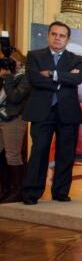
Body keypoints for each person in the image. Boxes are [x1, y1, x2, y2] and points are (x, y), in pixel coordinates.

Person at [22, 21, 82, 204]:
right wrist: (64, 78)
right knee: (39, 152)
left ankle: (61, 192)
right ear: (48, 35)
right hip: (42, 111)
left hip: (68, 112)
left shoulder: (76, 59)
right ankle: (32, 193)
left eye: (62, 35)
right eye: (54, 34)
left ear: (67, 39)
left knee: (66, 154)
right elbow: (34, 79)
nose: (57, 38)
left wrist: (51, 74)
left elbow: (77, 78)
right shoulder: (34, 56)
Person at [0, 52, 30, 203]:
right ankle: (4, 190)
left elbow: (15, 97)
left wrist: (7, 77)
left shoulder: (25, 76)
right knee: (1, 155)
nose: (8, 64)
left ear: (19, 62)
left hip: (14, 118)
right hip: (1, 116)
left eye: (11, 61)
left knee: (12, 155)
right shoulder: (5, 74)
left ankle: (17, 191)